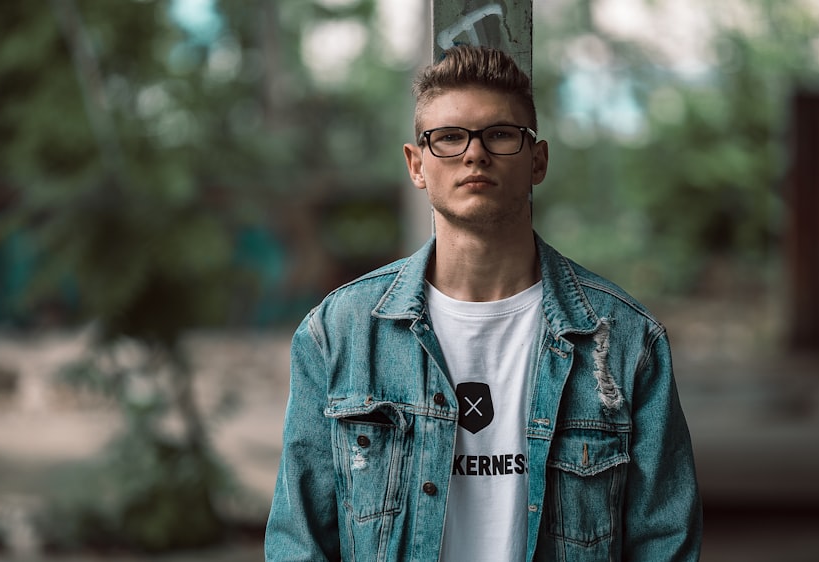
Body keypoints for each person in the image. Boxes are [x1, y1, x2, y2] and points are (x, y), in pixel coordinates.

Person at [265, 45, 702, 561]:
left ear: (537, 160)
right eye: (449, 137)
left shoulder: (626, 340)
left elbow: (664, 543)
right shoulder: (339, 334)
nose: (475, 153)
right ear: (417, 164)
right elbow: (300, 543)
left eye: (499, 134)